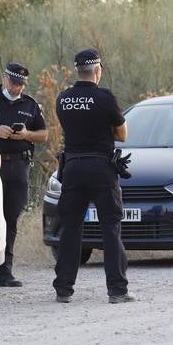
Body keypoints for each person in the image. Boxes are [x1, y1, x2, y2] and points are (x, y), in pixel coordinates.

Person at [53, 48, 132, 304]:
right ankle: (117, 291)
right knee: (110, 228)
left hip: (73, 167)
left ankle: (63, 289)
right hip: (101, 168)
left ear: (77, 70)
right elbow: (122, 135)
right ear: (97, 70)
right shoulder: (105, 98)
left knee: (70, 229)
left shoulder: (63, 99)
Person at [0, 62, 48, 287]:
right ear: (4, 78)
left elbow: (43, 134)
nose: (17, 89)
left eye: (21, 85)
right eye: (14, 83)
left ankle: (5, 271)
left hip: (19, 167)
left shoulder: (30, 104)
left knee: (11, 218)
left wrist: (26, 134)